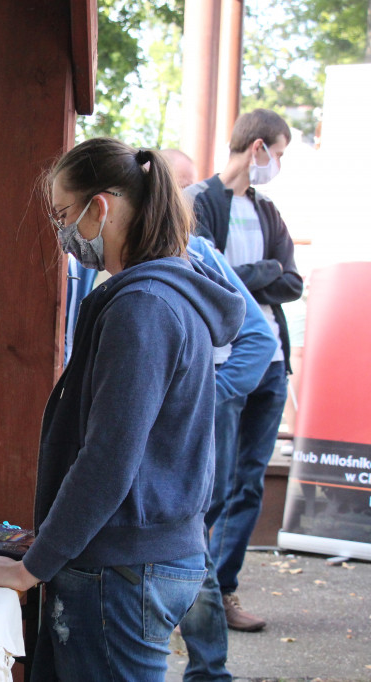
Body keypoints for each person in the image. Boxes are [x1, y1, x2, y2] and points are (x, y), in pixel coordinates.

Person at [0, 138, 246, 681]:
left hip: (122, 568)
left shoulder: (143, 307)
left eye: (65, 214)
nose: (63, 232)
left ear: (102, 207)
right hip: (134, 558)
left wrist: (32, 567)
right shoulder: (157, 296)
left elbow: (109, 457)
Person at [157, 148, 277, 680]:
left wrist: (209, 395)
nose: (184, 197)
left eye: (188, 187)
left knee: (190, 541)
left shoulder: (202, 254)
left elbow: (256, 337)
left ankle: (208, 670)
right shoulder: (98, 260)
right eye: (172, 185)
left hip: (191, 426)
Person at [185, 109, 304, 632]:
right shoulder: (200, 203)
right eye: (277, 153)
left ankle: (223, 591)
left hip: (272, 364)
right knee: (216, 486)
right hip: (225, 366)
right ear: (257, 148)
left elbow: (291, 282)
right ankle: (194, 590)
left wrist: (249, 277)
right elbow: (211, 281)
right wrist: (263, 273)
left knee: (249, 484)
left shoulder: (269, 211)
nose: (278, 163)